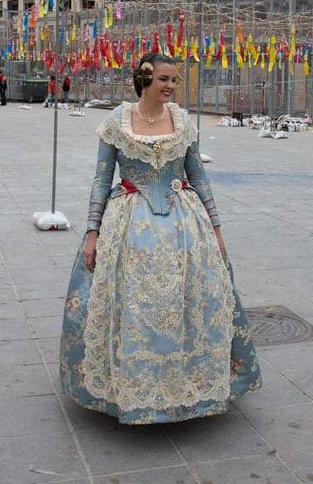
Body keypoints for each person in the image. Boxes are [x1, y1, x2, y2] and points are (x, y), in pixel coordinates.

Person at [60, 52, 261, 424]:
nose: (170, 87)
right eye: (163, 80)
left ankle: (187, 386)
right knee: (135, 306)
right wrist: (92, 233)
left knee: (191, 302)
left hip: (185, 224)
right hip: (129, 223)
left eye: (174, 80)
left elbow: (199, 177)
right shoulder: (116, 122)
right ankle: (133, 387)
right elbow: (101, 179)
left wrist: (217, 231)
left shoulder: (183, 121)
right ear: (144, 79)